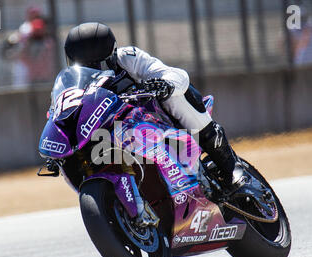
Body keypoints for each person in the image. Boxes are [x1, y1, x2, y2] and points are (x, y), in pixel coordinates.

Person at [63, 22, 247, 195]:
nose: (94, 72)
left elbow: (175, 74)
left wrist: (164, 85)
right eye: (86, 67)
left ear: (112, 55)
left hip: (151, 118)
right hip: (112, 134)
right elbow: (62, 114)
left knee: (174, 96)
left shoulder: (128, 57)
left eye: (98, 66)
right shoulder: (68, 83)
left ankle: (229, 165)